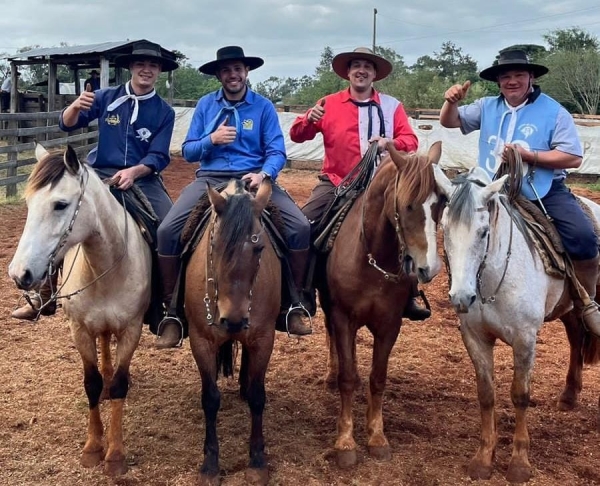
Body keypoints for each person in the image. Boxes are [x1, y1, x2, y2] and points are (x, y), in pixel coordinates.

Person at [155, 45, 312, 349]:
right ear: (219, 75)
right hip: (210, 180)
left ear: (246, 72)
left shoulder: (263, 107)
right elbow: (188, 151)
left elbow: (277, 150)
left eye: (237, 69)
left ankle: (294, 302)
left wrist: (264, 174)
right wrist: (210, 141)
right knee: (166, 232)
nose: (233, 75)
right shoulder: (205, 106)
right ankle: (172, 311)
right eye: (226, 70)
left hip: (253, 178)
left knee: (300, 227)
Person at [11, 41, 178, 320]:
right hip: (98, 174)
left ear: (159, 70)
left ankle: (165, 302)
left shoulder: (164, 112)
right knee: (60, 214)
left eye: (152, 65)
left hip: (142, 178)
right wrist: (75, 106)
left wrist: (134, 172)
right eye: (140, 64)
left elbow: (159, 156)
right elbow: (67, 123)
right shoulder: (105, 96)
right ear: (131, 68)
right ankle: (43, 293)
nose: (146, 69)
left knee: (169, 229)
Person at [440, 48, 600, 337]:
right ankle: (462, 288)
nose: (511, 81)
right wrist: (450, 102)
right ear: (498, 81)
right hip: (489, 191)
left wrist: (529, 156)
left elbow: (572, 157)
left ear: (532, 77)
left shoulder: (554, 111)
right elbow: (450, 122)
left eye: (518, 75)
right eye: (505, 77)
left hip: (542, 190)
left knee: (584, 237)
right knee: (453, 225)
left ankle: (586, 303)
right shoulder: (487, 106)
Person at [289, 47, 431, 321]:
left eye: (367, 66)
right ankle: (303, 290)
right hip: (336, 182)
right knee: (305, 223)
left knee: (409, 221)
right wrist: (308, 120)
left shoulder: (392, 106)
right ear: (348, 72)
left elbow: (411, 141)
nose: (361, 70)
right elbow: (297, 136)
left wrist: (389, 143)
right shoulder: (328, 103)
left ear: (375, 74)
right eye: (356, 65)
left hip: (383, 184)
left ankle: (410, 291)